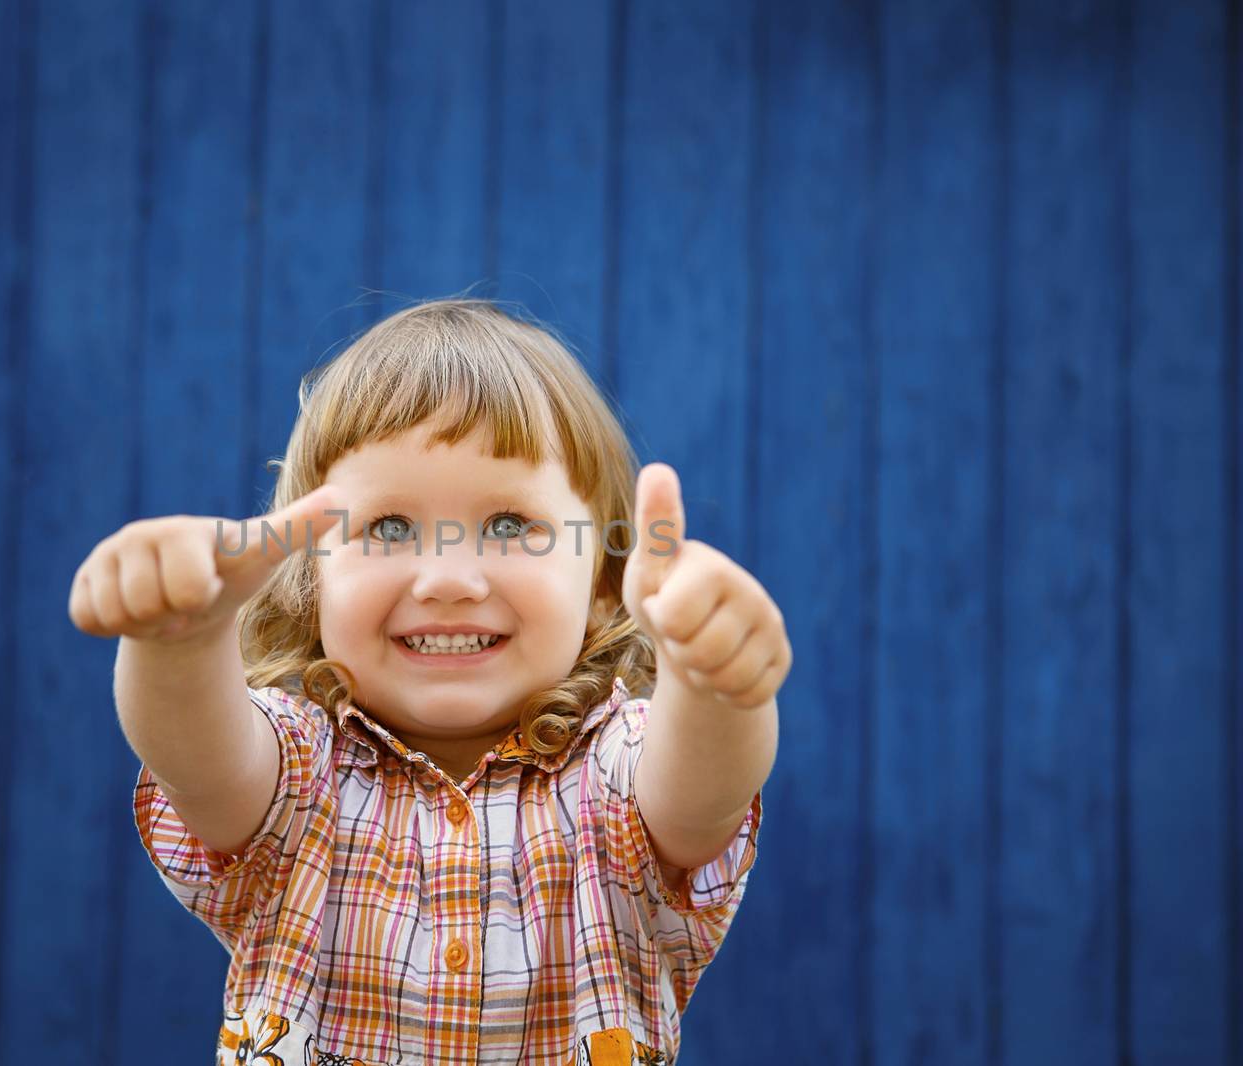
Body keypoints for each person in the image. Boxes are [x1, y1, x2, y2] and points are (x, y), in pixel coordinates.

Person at [68, 298, 790, 1064]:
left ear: (604, 583)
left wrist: (710, 682)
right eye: (387, 528)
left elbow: (700, 792)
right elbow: (197, 757)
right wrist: (177, 644)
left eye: (510, 525)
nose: (448, 579)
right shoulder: (300, 772)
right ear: (311, 576)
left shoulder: (616, 775)